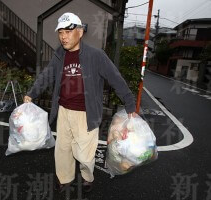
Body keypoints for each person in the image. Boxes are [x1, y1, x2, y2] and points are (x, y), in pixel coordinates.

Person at [24, 12, 136, 193]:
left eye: (68, 32)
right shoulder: (59, 55)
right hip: (63, 111)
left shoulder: (96, 56)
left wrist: (129, 102)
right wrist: (32, 93)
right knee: (63, 149)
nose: (63, 37)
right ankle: (64, 179)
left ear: (80, 32)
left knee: (84, 154)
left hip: (86, 113)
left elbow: (116, 79)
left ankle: (86, 177)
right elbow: (47, 75)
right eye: (60, 32)